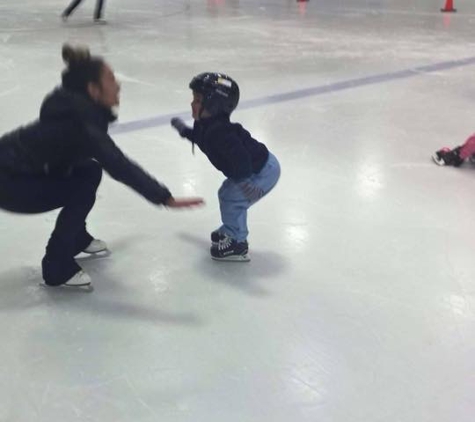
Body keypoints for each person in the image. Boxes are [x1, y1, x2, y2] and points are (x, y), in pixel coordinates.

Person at [0, 44, 203, 287]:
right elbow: (117, 163)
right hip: (10, 184)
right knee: (81, 187)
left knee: (89, 171)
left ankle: (76, 237)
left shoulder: (77, 106)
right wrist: (164, 197)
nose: (117, 84)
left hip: (19, 170)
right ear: (93, 90)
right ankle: (57, 266)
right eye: (110, 78)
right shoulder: (81, 122)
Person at [170, 72, 280, 262]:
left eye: (197, 100)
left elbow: (242, 159)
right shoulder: (206, 125)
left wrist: (246, 185)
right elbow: (201, 138)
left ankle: (238, 243)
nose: (192, 104)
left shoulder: (222, 133)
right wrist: (184, 130)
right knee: (226, 194)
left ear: (213, 105)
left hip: (262, 171)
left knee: (233, 198)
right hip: (256, 168)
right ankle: (231, 229)